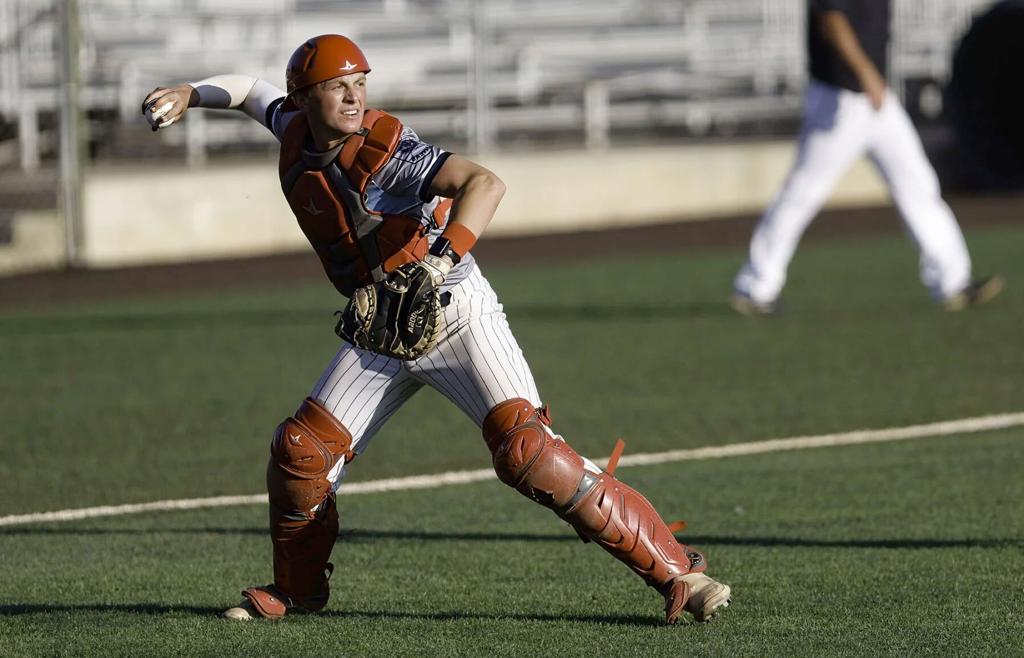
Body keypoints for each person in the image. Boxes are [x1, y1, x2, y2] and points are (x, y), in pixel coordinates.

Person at [142, 34, 731, 624]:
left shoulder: (385, 152)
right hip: (382, 326)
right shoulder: (293, 126)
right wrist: (189, 93)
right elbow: (249, 92)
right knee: (300, 453)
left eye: (360, 84)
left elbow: (484, 184)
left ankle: (682, 574)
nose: (353, 97)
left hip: (451, 307)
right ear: (305, 97)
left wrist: (438, 261)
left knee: (527, 452)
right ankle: (296, 591)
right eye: (337, 87)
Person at [731, 0, 1003, 315]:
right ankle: (755, 285)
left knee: (918, 184)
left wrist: (872, 81)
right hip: (842, 98)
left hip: (875, 99)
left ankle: (952, 282)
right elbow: (832, 19)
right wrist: (865, 73)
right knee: (803, 192)